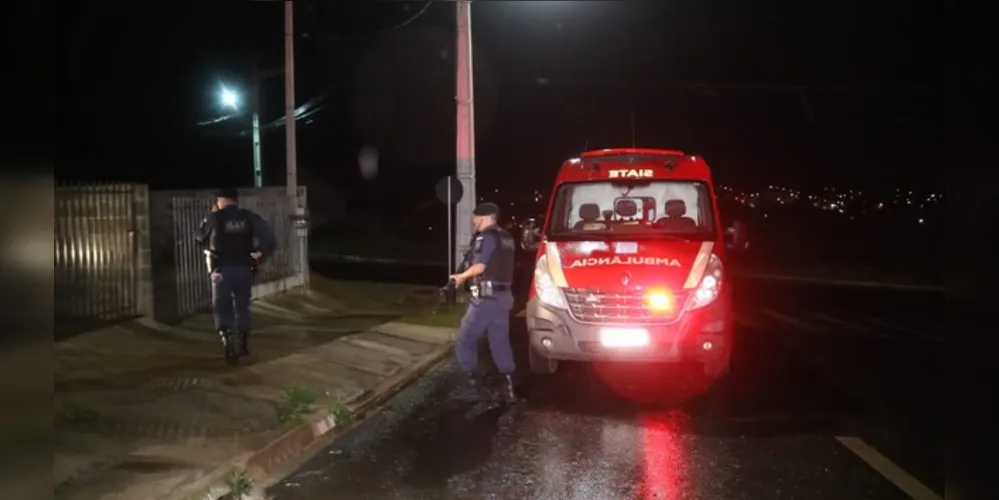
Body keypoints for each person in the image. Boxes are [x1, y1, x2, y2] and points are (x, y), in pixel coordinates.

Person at [194, 188, 277, 365]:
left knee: (222, 305)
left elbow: (199, 237)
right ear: (235, 200)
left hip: (221, 270)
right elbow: (269, 238)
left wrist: (211, 219)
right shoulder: (248, 216)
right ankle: (243, 344)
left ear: (220, 200)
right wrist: (259, 253)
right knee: (242, 305)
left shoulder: (214, 217)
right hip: (244, 268)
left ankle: (227, 342)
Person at [449, 202, 518, 402]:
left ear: (486, 218)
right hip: (504, 298)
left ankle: (471, 385)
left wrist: (461, 277)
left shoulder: (486, 237)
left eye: (476, 218)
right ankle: (508, 388)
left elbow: (479, 267)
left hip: (486, 299)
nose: (473, 222)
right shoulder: (507, 237)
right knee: (499, 342)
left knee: (465, 338)